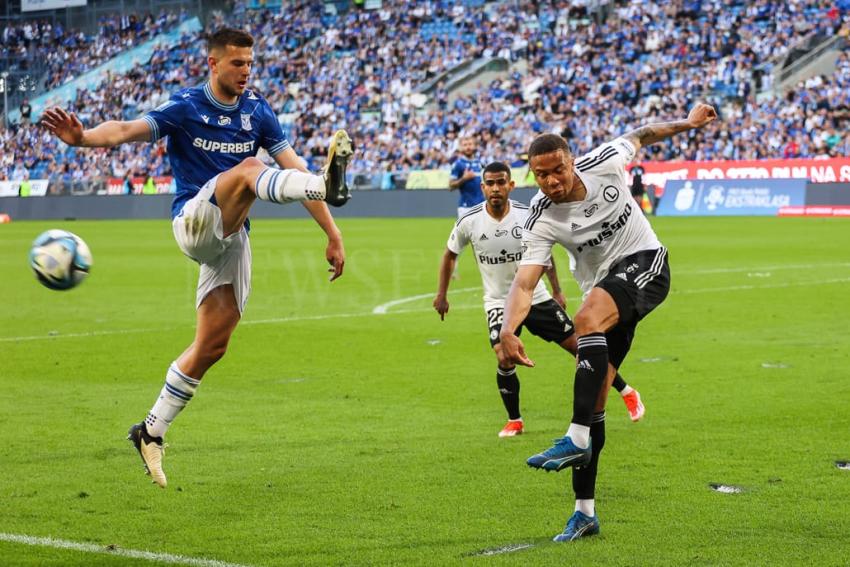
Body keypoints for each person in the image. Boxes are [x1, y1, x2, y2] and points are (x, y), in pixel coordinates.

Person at [41, 28, 353, 488]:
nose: (246, 71)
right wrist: (83, 137)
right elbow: (127, 131)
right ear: (213, 63)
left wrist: (333, 232)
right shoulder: (186, 107)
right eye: (237, 63)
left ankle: (150, 431)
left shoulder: (258, 112)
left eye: (250, 63)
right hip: (192, 221)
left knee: (213, 345)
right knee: (249, 169)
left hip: (230, 235)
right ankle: (327, 183)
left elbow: (294, 166)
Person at [499, 103, 717, 541]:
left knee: (584, 322)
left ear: (572, 159)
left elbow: (642, 132)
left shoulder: (604, 161)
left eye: (558, 169)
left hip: (646, 263)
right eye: (541, 175)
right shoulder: (540, 218)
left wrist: (689, 125)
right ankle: (585, 514)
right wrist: (507, 329)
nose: (552, 181)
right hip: (604, 290)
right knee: (594, 398)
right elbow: (524, 284)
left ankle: (575, 436)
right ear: (532, 176)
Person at [433, 161, 645, 438]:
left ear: (511, 185)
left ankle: (627, 392)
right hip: (499, 302)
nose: (496, 188)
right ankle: (515, 420)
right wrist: (441, 294)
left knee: (581, 349)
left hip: (538, 297)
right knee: (503, 356)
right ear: (483, 187)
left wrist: (556, 290)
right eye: (490, 183)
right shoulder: (469, 221)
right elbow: (450, 254)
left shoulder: (527, 216)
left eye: (501, 183)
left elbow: (543, 257)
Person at [448, 134, 485, 217]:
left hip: (482, 206)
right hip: (466, 208)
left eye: (470, 144)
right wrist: (464, 179)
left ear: (475, 146)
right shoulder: (458, 164)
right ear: (461, 147)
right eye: (465, 145)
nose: (468, 147)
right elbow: (450, 186)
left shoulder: (480, 163)